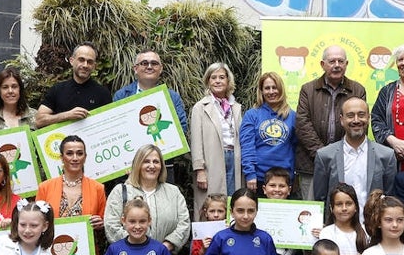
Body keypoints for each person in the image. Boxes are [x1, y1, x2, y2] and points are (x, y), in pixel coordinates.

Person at [295, 46, 366, 200]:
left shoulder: (358, 90)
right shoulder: (308, 89)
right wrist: (323, 155)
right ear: (322, 64)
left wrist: (340, 156)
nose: (337, 65)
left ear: (346, 64)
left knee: (345, 208)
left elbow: (359, 124)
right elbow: (302, 124)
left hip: (348, 162)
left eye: (341, 61)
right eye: (332, 61)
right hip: (311, 163)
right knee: (313, 214)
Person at [102, 145, 190, 254]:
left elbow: (184, 223)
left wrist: (166, 246)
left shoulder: (173, 192)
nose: (152, 166)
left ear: (161, 166)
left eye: (156, 162)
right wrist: (138, 247)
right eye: (146, 161)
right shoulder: (120, 191)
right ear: (138, 164)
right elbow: (111, 224)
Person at [311, 97, 396, 209]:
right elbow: (320, 200)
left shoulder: (386, 156)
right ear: (341, 120)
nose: (356, 120)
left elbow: (390, 199)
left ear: (368, 118)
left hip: (372, 225)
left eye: (361, 115)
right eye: (350, 116)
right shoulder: (325, 156)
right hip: (338, 225)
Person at [190, 62, 242, 211]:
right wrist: (200, 170)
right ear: (208, 81)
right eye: (213, 78)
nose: (218, 81)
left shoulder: (236, 107)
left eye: (222, 77)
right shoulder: (200, 107)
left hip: (234, 158)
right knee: (212, 205)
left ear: (228, 81)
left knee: (233, 200)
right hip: (212, 161)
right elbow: (196, 141)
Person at [240, 72, 298, 191]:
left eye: (274, 87)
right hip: (259, 178)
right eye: (267, 88)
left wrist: (293, 175)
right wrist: (250, 174)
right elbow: (247, 147)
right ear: (261, 91)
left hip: (285, 179)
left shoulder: (292, 116)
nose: (271, 92)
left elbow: (295, 148)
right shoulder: (252, 115)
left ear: (281, 89)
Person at [36, 135, 106, 229]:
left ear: (85, 157)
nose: (75, 158)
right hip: (53, 242)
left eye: (80, 153)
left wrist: (101, 224)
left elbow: (105, 220)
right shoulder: (45, 187)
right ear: (61, 157)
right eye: (69, 153)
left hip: (87, 242)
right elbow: (36, 221)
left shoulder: (98, 188)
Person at [34, 43, 111, 128]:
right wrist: (67, 115)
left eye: (90, 62)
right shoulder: (57, 90)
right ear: (72, 61)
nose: (85, 65)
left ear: (94, 66)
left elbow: (110, 125)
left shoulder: (103, 93)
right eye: (81, 60)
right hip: (61, 139)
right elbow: (39, 121)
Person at [112, 48, 189, 130]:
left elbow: (182, 126)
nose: (149, 67)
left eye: (154, 63)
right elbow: (117, 127)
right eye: (144, 63)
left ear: (160, 69)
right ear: (135, 69)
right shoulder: (122, 96)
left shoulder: (172, 97)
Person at [0, 67, 36, 132]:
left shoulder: (34, 116)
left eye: (14, 86)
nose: (10, 91)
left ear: (20, 90)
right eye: (5, 87)